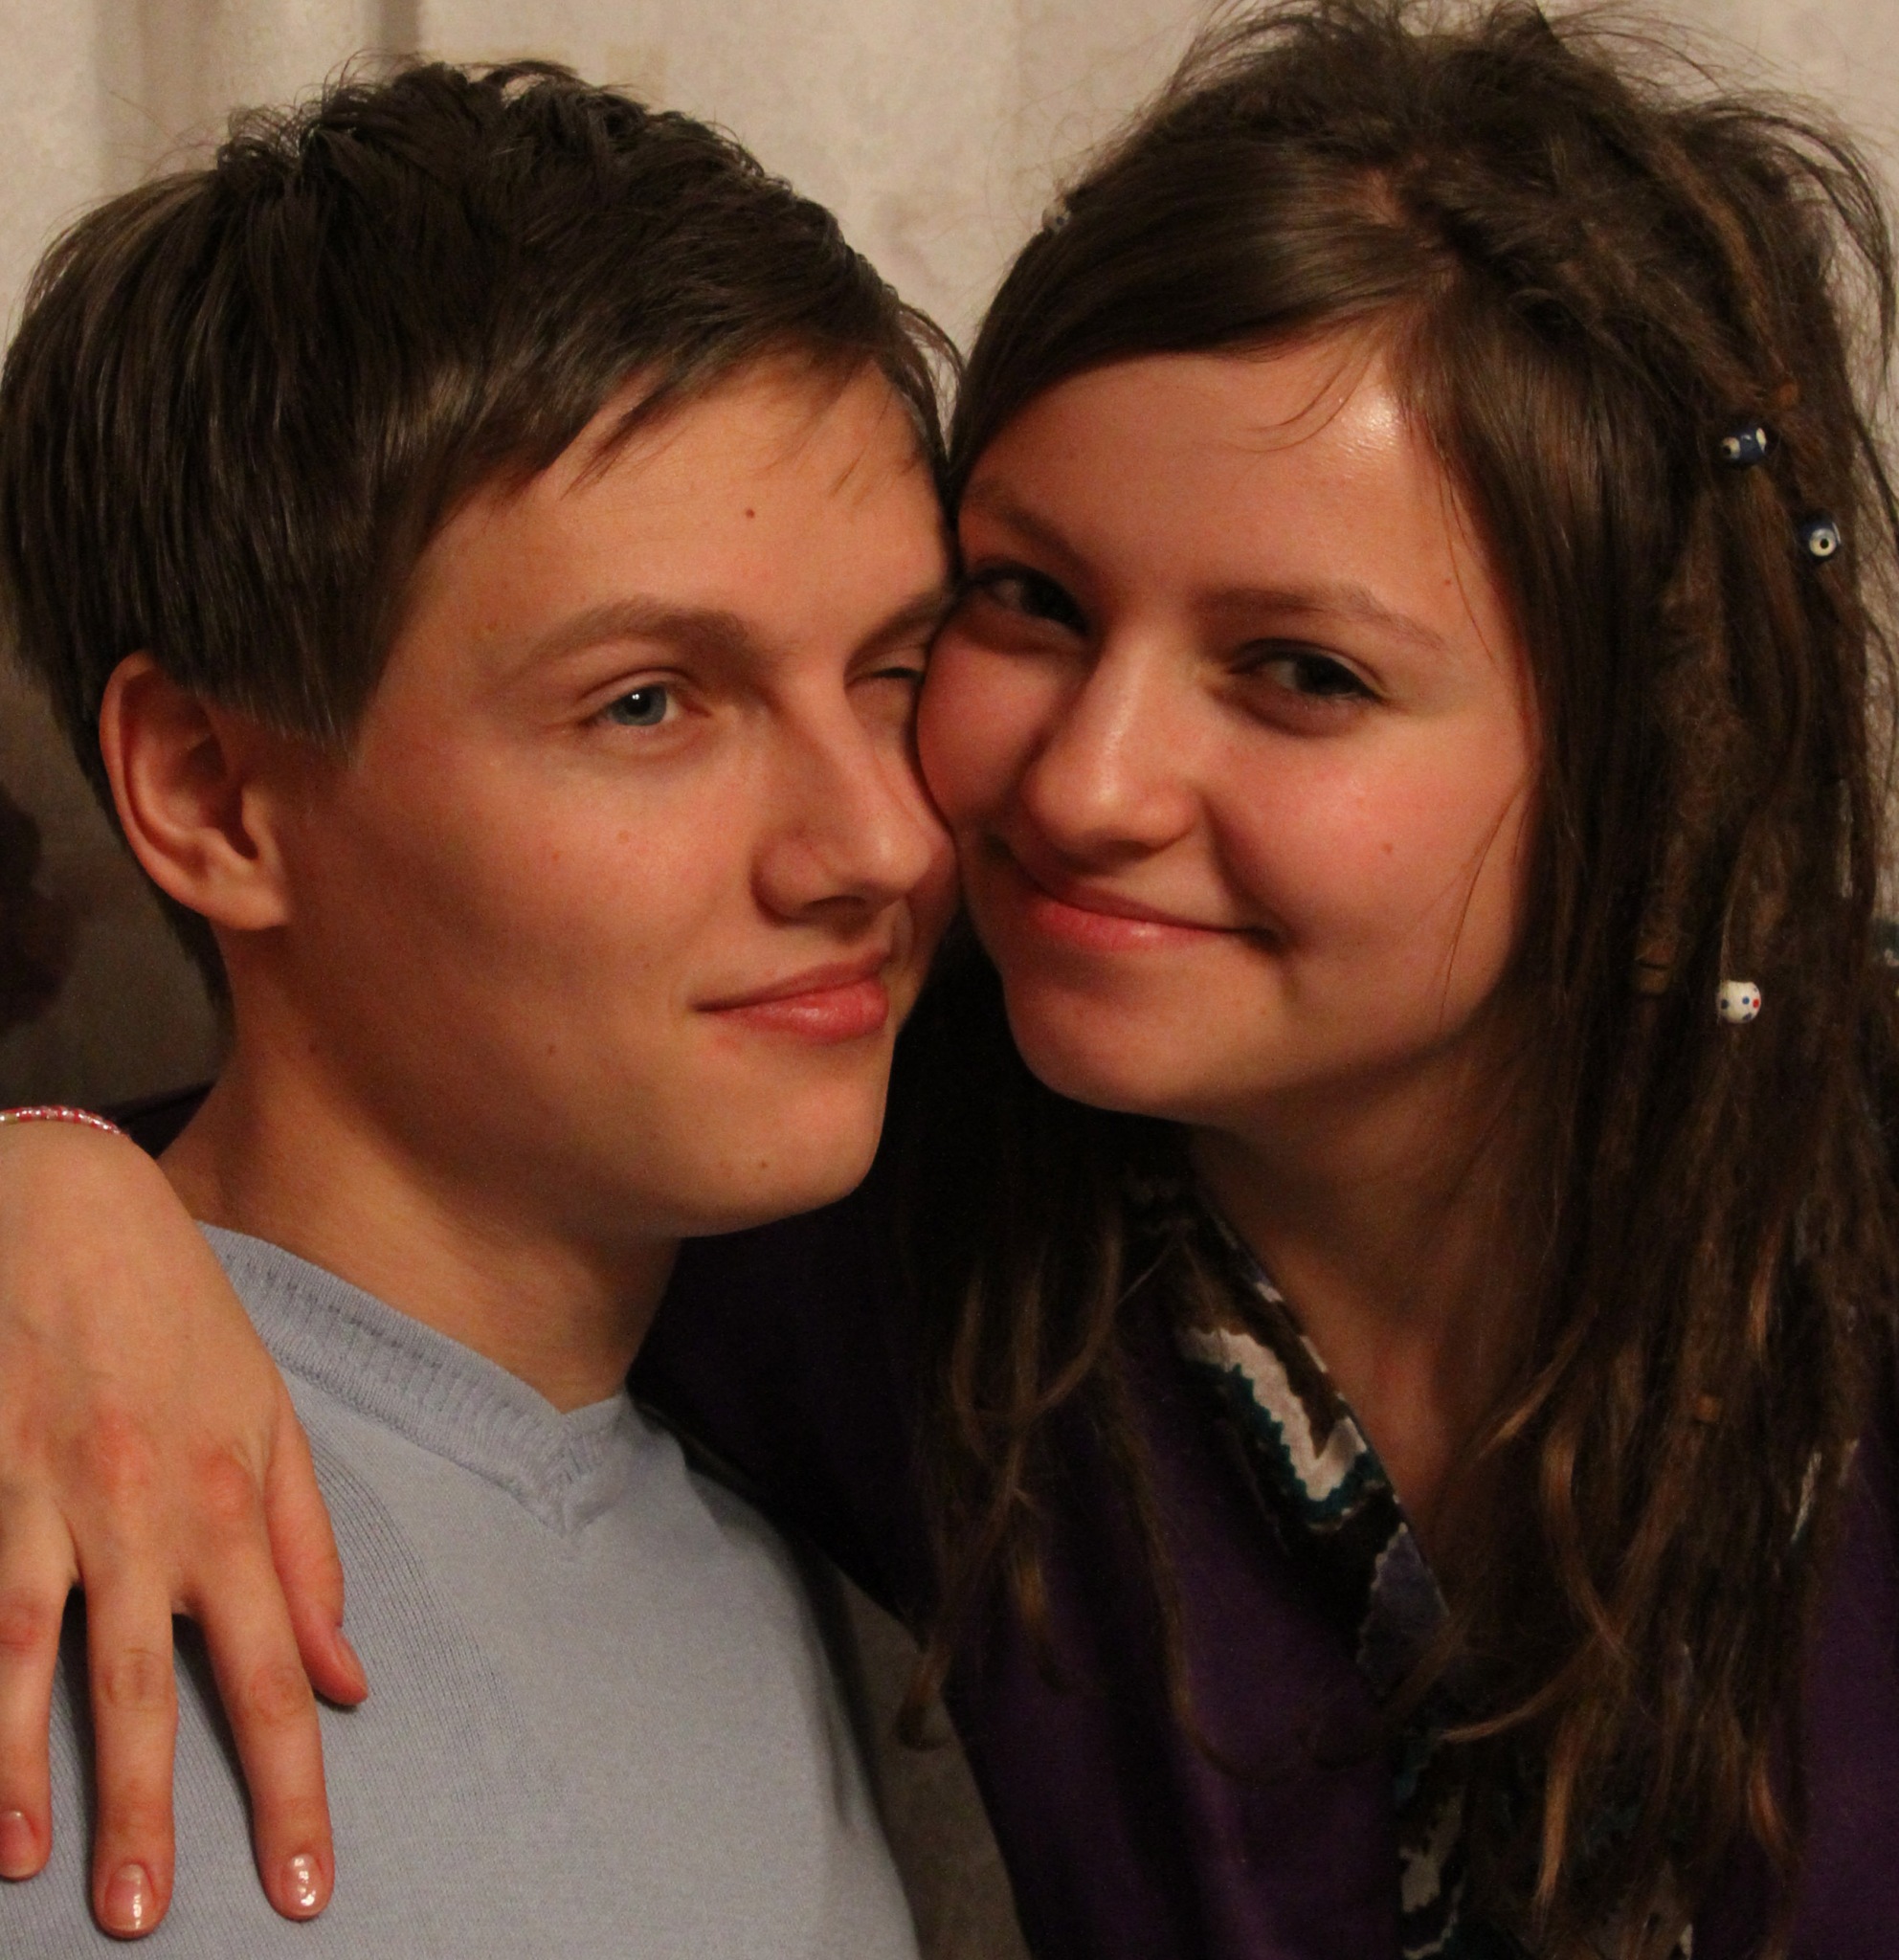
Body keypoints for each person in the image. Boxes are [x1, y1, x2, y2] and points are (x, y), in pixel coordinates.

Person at [4, 4, 1899, 1956]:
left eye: (1300, 672)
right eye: (1028, 605)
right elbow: (368, 1167)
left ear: (1650, 749)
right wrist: (49, 1184)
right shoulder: (868, 1194)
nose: (1061, 794)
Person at [0, 57, 955, 1956]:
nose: (881, 840)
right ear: (209, 792)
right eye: (646, 704)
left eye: (894, 673)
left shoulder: (780, 1535)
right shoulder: (47, 1482)